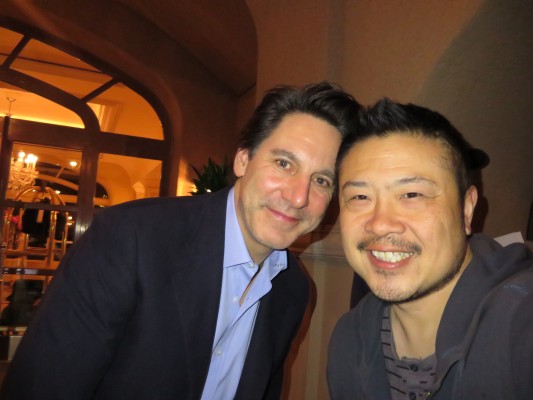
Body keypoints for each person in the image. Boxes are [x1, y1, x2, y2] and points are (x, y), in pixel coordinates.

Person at [0, 82, 360, 400]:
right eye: (283, 164)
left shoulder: (294, 290)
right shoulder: (129, 239)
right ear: (243, 160)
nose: (298, 196)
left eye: (322, 180)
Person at [327, 98, 533, 400]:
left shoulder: (522, 324)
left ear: (466, 210)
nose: (380, 224)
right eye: (359, 197)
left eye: (412, 194)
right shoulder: (347, 340)